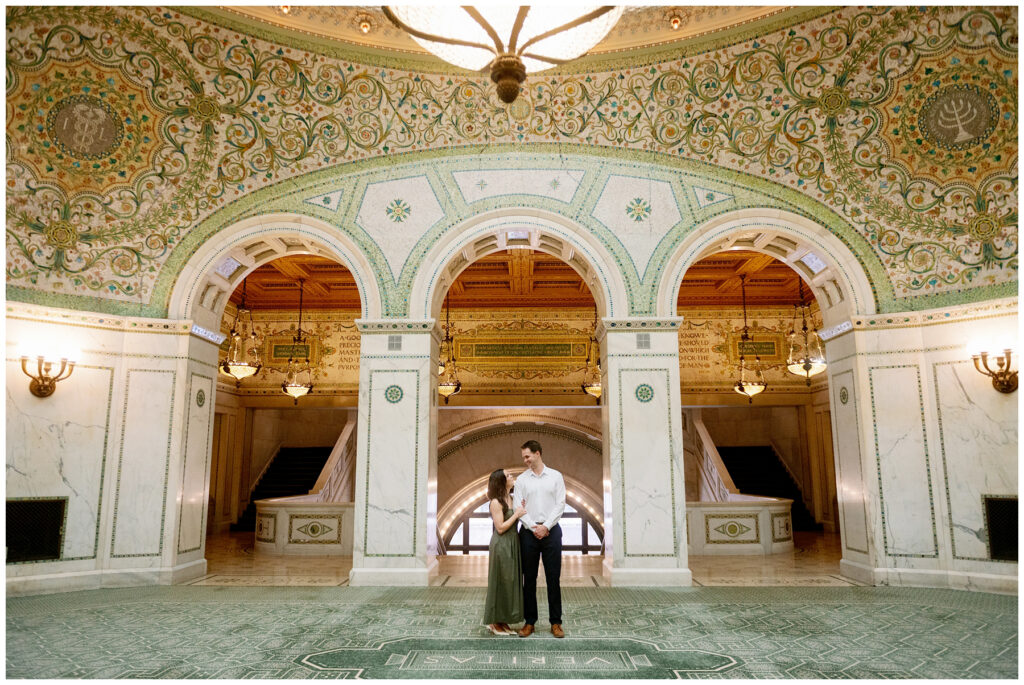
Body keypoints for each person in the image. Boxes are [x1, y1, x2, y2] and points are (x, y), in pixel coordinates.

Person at [512, 440, 566, 638]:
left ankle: (556, 622)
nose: (525, 460)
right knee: (529, 579)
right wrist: (534, 526)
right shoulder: (521, 480)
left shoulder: (556, 476)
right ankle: (529, 622)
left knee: (553, 578)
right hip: (528, 533)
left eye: (528, 456)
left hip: (551, 531)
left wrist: (546, 526)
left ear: (538, 453)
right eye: (524, 457)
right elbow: (518, 507)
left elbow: (560, 504)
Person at [482, 468, 527, 636]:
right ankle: (494, 622)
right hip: (501, 544)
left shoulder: (511, 498)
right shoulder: (495, 502)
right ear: (501, 481)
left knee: (510, 581)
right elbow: (500, 528)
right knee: (500, 581)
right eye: (508, 475)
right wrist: (516, 515)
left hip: (513, 542)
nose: (512, 477)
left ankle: (503, 620)